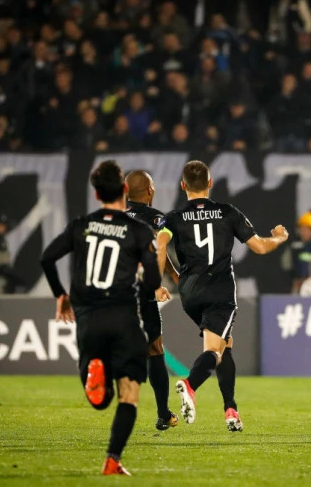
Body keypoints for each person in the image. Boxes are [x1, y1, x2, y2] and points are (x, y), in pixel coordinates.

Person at [40, 160, 163, 476]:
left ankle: (96, 372)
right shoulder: (138, 230)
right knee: (129, 393)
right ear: (124, 189)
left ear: (96, 194)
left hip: (88, 317)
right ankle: (112, 459)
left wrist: (61, 295)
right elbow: (152, 281)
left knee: (99, 398)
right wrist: (142, 272)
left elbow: (47, 258)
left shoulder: (81, 225)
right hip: (123, 316)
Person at [155, 160, 289, 431]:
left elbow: (160, 245)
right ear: (210, 183)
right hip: (219, 291)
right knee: (215, 350)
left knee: (225, 344)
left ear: (183, 186)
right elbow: (260, 247)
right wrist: (279, 238)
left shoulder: (174, 217)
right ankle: (190, 385)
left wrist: (160, 281)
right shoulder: (228, 212)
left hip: (190, 293)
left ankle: (231, 410)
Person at [124, 170, 180, 432]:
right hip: (141, 289)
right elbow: (159, 246)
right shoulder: (155, 217)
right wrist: (158, 283)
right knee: (154, 349)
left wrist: (173, 273)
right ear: (149, 190)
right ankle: (162, 413)